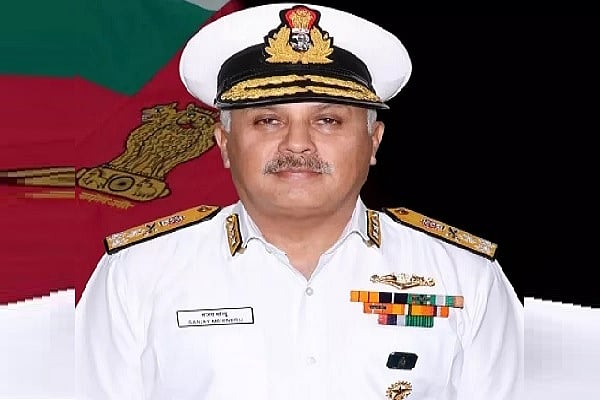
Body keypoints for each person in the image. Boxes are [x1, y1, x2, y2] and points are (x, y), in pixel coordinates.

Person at [75, 3, 523, 399]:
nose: (297, 144)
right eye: (268, 120)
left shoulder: (466, 279)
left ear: (373, 141)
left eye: (328, 120)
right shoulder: (135, 277)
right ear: (225, 144)